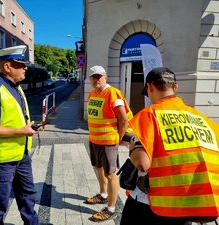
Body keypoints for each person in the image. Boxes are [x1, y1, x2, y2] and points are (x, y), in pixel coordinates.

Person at [120, 67, 219, 225]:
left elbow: (142, 163)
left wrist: (133, 146)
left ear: (150, 87)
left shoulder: (150, 114)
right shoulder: (201, 119)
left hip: (153, 204)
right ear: (175, 87)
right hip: (192, 205)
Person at [0, 45, 40, 225]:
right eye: (20, 64)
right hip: (2, 159)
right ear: (7, 66)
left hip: (21, 154)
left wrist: (28, 127)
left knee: (28, 196)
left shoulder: (16, 88)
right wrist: (22, 131)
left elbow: (14, 118)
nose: (25, 67)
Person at [85, 65, 133, 222]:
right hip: (94, 140)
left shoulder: (113, 93)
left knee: (110, 173)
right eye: (94, 77)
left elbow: (124, 119)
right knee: (98, 168)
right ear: (90, 79)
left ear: (105, 77)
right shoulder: (92, 93)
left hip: (108, 141)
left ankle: (111, 208)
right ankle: (103, 194)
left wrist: (119, 138)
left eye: (100, 76)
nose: (97, 79)